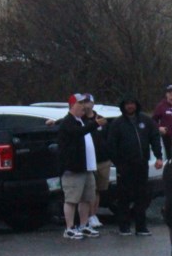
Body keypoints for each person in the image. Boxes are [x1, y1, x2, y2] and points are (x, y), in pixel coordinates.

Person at [106, 96, 163, 236]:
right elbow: (111, 145)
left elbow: (155, 137)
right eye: (127, 104)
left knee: (141, 197)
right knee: (123, 197)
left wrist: (158, 156)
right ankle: (124, 226)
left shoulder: (145, 121)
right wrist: (118, 163)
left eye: (132, 103)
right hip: (124, 166)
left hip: (142, 165)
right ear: (123, 106)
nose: (130, 106)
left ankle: (141, 227)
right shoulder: (117, 123)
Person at [57, 93, 104, 240]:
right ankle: (69, 227)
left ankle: (83, 225)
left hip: (87, 167)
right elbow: (77, 133)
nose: (83, 106)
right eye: (80, 103)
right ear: (72, 106)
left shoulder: (81, 121)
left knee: (86, 198)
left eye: (84, 103)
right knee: (71, 199)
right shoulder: (68, 122)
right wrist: (96, 124)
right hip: (73, 168)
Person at [81, 99, 112, 230]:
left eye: (89, 102)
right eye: (84, 102)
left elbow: (109, 137)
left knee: (98, 190)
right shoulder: (80, 121)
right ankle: (87, 216)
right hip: (88, 161)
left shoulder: (102, 119)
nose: (87, 105)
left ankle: (94, 214)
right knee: (89, 190)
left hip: (103, 159)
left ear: (93, 104)